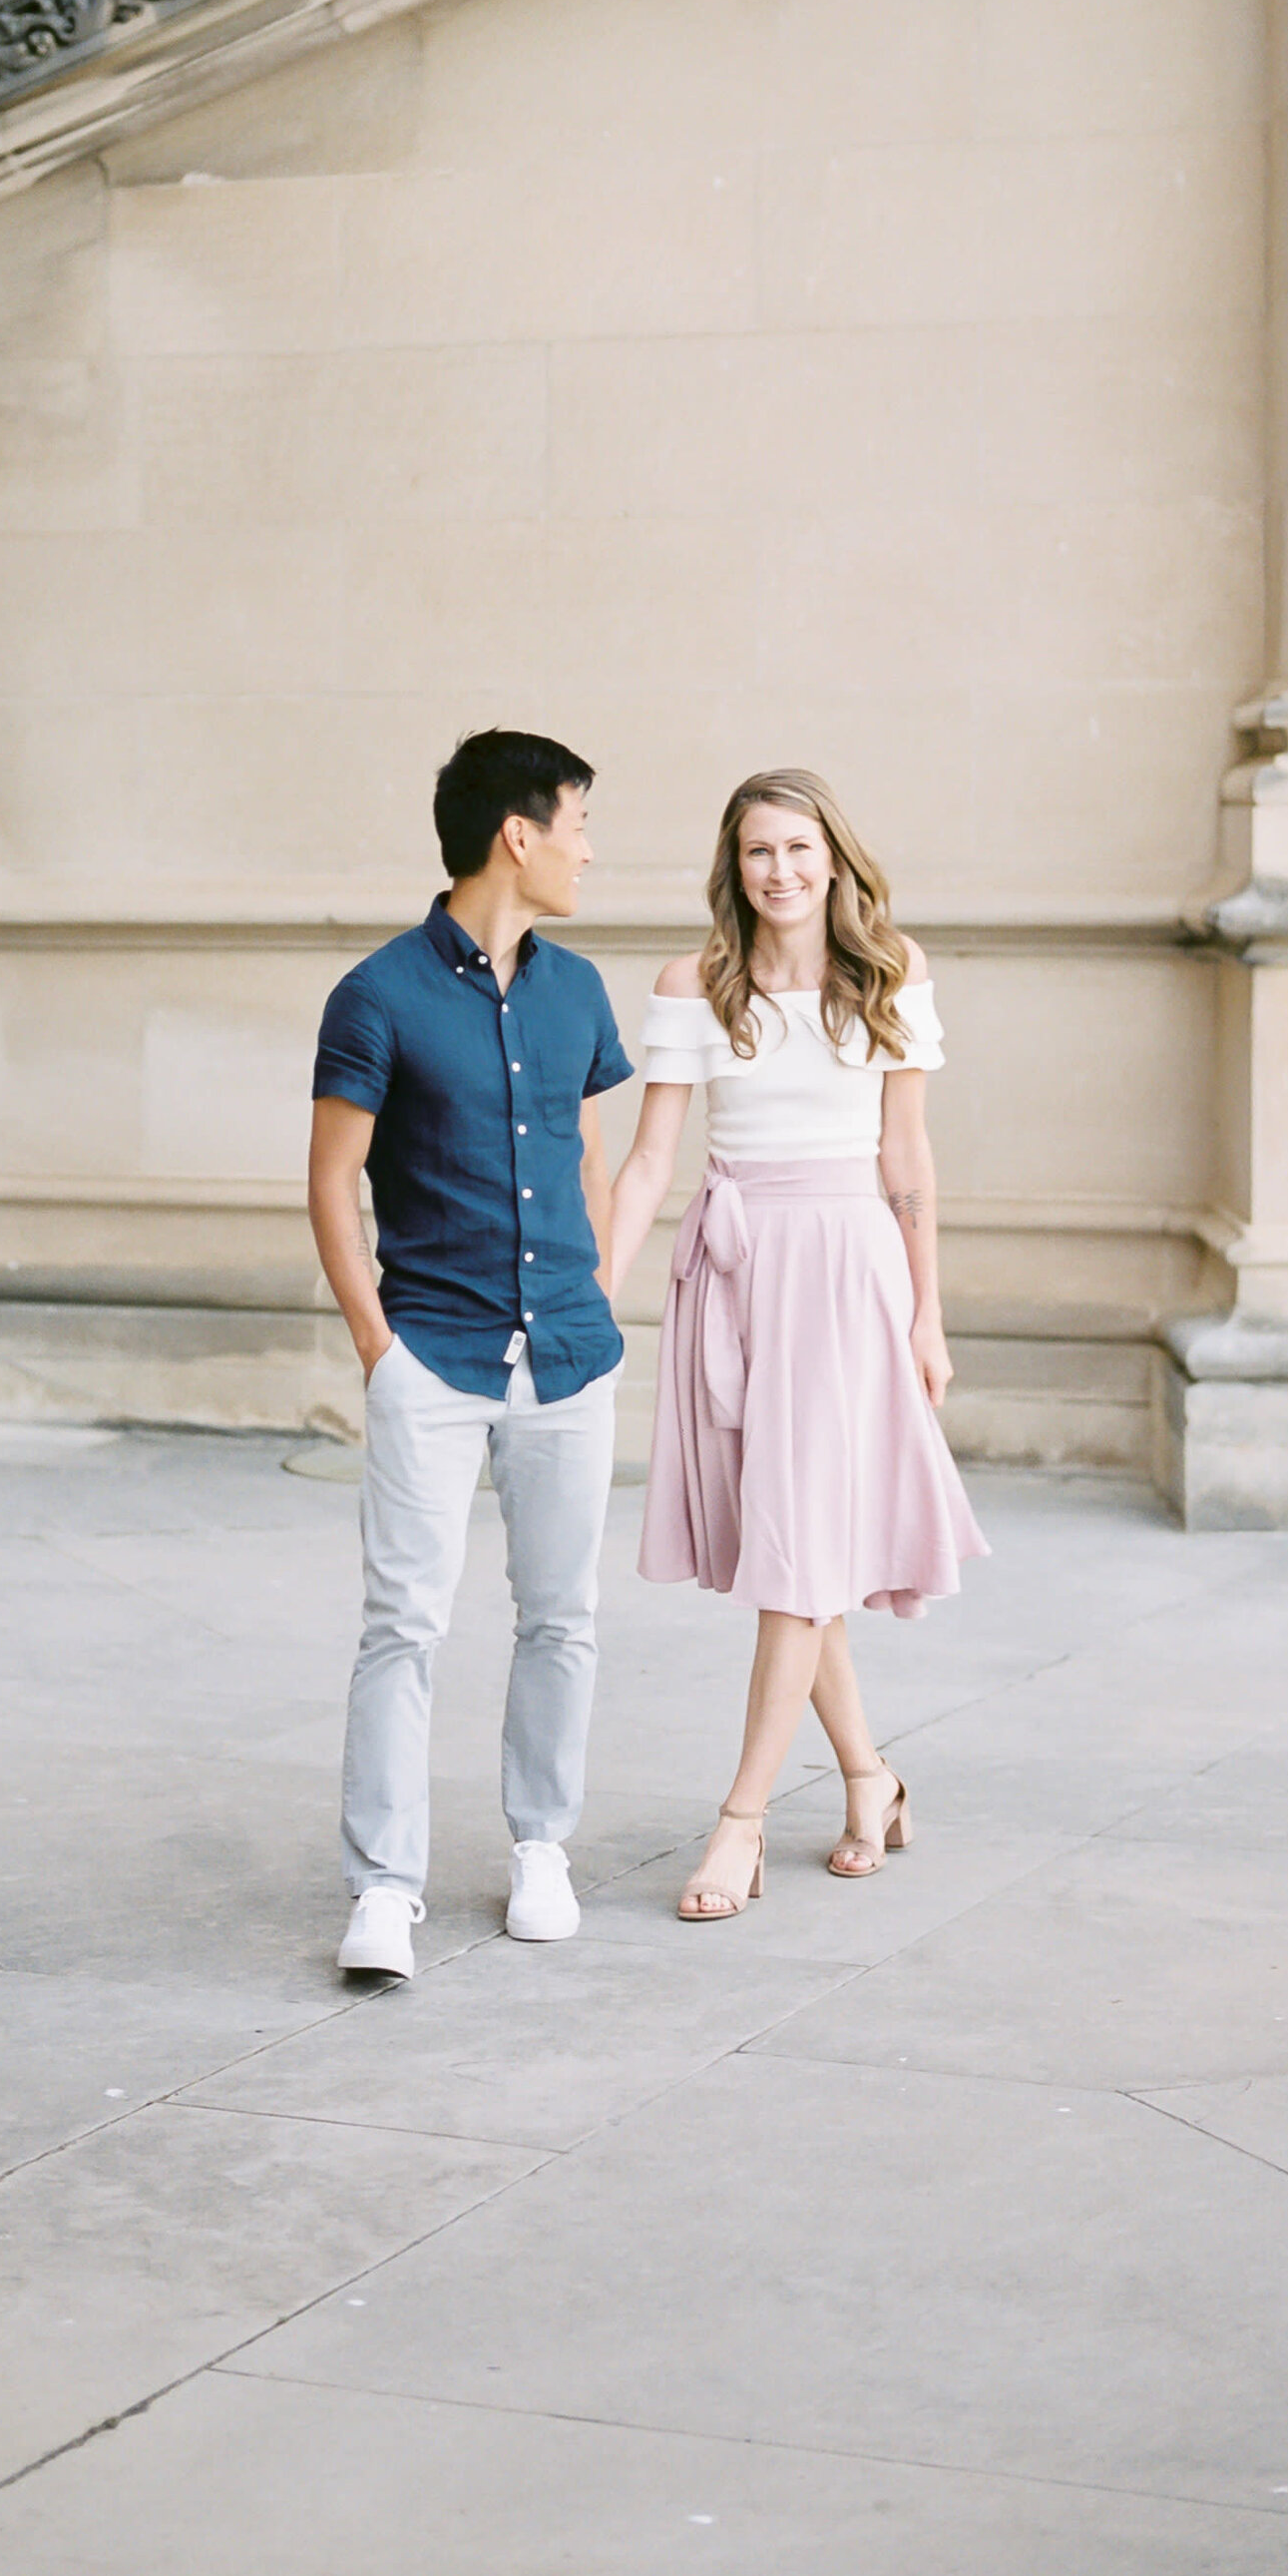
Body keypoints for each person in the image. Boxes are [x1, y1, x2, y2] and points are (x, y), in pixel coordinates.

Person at [607, 769, 987, 1921]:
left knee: (796, 1550)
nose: (781, 870)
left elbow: (906, 1161)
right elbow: (645, 1163)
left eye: (799, 848)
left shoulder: (891, 973)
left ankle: (742, 1823)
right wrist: (590, 1291)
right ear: (734, 868)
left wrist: (926, 1314)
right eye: (759, 852)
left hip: (848, 1273)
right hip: (734, 1271)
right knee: (795, 1548)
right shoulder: (693, 987)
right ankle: (871, 1781)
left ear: (834, 857)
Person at [308, 731, 633, 1980]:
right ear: (519, 832)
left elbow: (582, 1159)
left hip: (567, 1354)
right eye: (580, 823)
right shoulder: (377, 996)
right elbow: (335, 1188)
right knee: (404, 1622)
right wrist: (378, 1349)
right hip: (431, 1357)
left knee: (563, 1617)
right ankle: (385, 1888)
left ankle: (540, 1847)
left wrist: (591, 1291)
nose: (589, 849)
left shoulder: (577, 993)